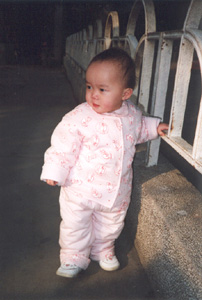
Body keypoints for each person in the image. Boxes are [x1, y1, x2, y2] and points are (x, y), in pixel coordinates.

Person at [40, 47, 169, 278]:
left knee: (111, 222)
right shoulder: (79, 117)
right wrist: (55, 170)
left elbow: (138, 130)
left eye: (102, 89)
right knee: (76, 223)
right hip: (80, 188)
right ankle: (73, 256)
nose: (93, 95)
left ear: (125, 94)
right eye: (89, 87)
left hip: (116, 189)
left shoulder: (132, 114)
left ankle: (103, 248)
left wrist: (154, 128)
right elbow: (63, 145)